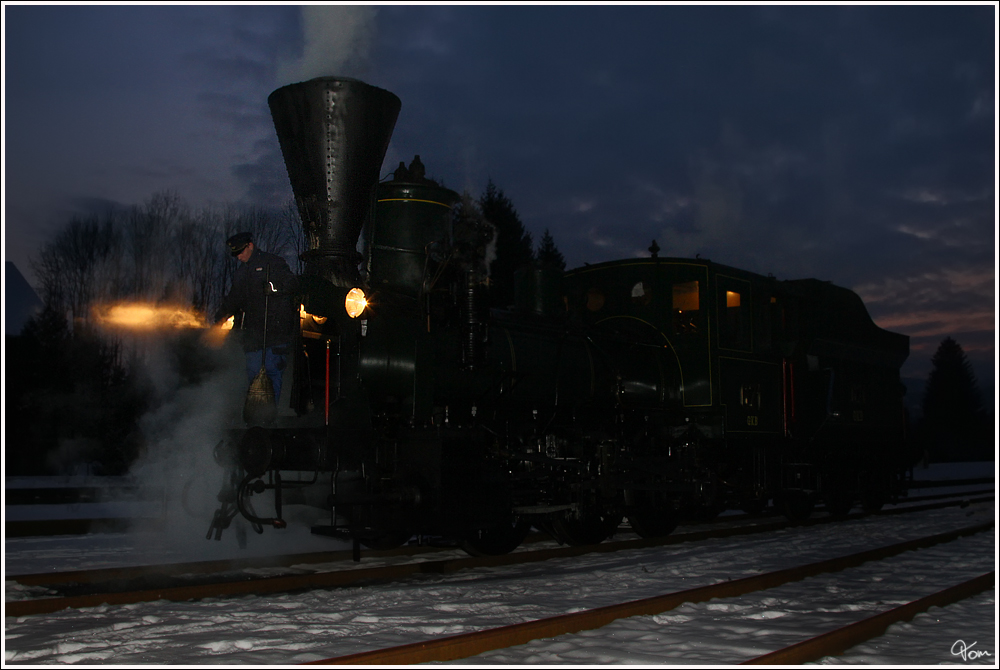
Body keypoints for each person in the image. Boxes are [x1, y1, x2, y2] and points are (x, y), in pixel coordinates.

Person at [214, 232, 298, 405]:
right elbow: (233, 299)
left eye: (241, 252)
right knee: (253, 374)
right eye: (235, 254)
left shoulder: (273, 263)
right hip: (254, 335)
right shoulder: (241, 274)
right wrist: (220, 317)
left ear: (250, 245)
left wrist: (274, 288)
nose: (238, 257)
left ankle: (271, 415)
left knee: (273, 372)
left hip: (276, 333)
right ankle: (255, 414)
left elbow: (292, 283)